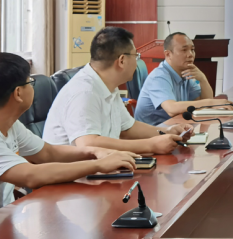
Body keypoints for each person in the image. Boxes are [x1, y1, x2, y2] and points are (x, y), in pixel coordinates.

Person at [0, 51, 140, 215]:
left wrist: (94, 152)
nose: (32, 87)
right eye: (30, 82)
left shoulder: (4, 122)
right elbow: (32, 176)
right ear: (18, 93)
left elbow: (47, 153)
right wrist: (98, 165)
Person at [47, 27, 191, 151]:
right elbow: (88, 144)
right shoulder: (85, 92)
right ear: (122, 60)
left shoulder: (108, 85)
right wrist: (151, 145)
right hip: (73, 173)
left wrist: (167, 131)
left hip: (100, 166)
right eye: (136, 56)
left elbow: (127, 128)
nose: (137, 62)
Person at [134, 31, 231, 126]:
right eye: (184, 50)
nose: (190, 54)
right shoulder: (159, 76)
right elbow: (172, 109)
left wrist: (203, 79)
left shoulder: (186, 73)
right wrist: (213, 102)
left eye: (192, 49)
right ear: (168, 54)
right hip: (151, 131)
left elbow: (203, 104)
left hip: (173, 126)